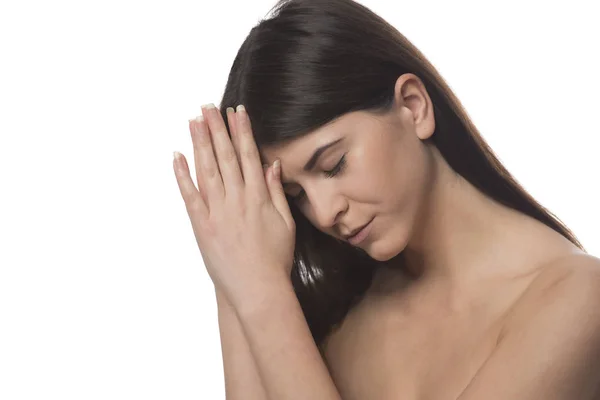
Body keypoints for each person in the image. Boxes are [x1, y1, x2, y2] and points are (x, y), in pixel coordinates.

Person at [172, 0, 600, 398]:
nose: (323, 213)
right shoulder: (341, 316)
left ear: (413, 107)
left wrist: (262, 295)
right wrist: (232, 269)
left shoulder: (576, 300)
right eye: (295, 194)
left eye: (334, 164)